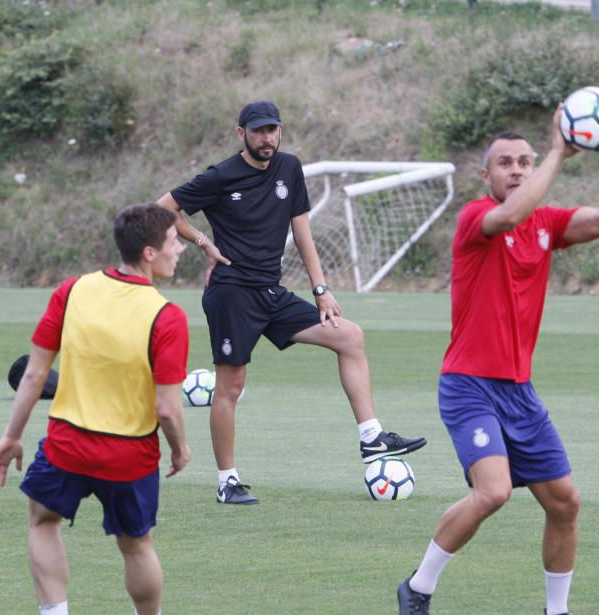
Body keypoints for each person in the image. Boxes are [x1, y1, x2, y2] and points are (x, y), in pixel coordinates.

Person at [397, 106, 599, 615]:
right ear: (487, 176)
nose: (516, 170)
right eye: (505, 163)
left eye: (524, 162)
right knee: (494, 492)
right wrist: (558, 151)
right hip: (468, 384)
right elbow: (506, 218)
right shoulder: (476, 219)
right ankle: (417, 587)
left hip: (519, 392)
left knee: (565, 503)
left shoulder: (547, 224)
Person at [156, 100, 426, 505]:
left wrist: (321, 289)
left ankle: (371, 438)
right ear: (241, 133)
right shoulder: (221, 176)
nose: (267, 138)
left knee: (350, 336)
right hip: (232, 293)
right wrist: (204, 243)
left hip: (271, 292)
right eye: (259, 130)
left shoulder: (289, 168)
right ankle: (227, 482)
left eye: (273, 130)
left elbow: (302, 233)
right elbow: (162, 209)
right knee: (231, 387)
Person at [0, 203, 192, 615]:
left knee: (42, 522)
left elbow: (36, 374)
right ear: (148, 252)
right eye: (173, 242)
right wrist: (180, 450)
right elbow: (166, 408)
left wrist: (12, 435)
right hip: (131, 453)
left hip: (68, 445)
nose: (179, 248)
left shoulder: (72, 291)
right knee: (137, 545)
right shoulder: (168, 316)